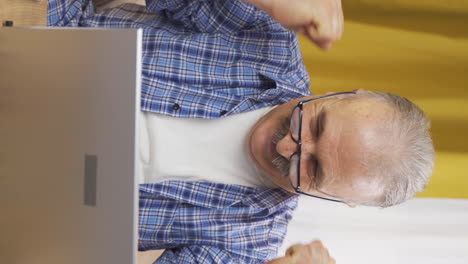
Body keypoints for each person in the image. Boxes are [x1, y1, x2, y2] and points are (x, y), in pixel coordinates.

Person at [48, 0, 435, 263]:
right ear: (347, 94)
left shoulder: (247, 243)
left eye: (312, 169)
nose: (287, 145)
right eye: (314, 123)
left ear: (337, 199)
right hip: (33, 28)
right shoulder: (265, 38)